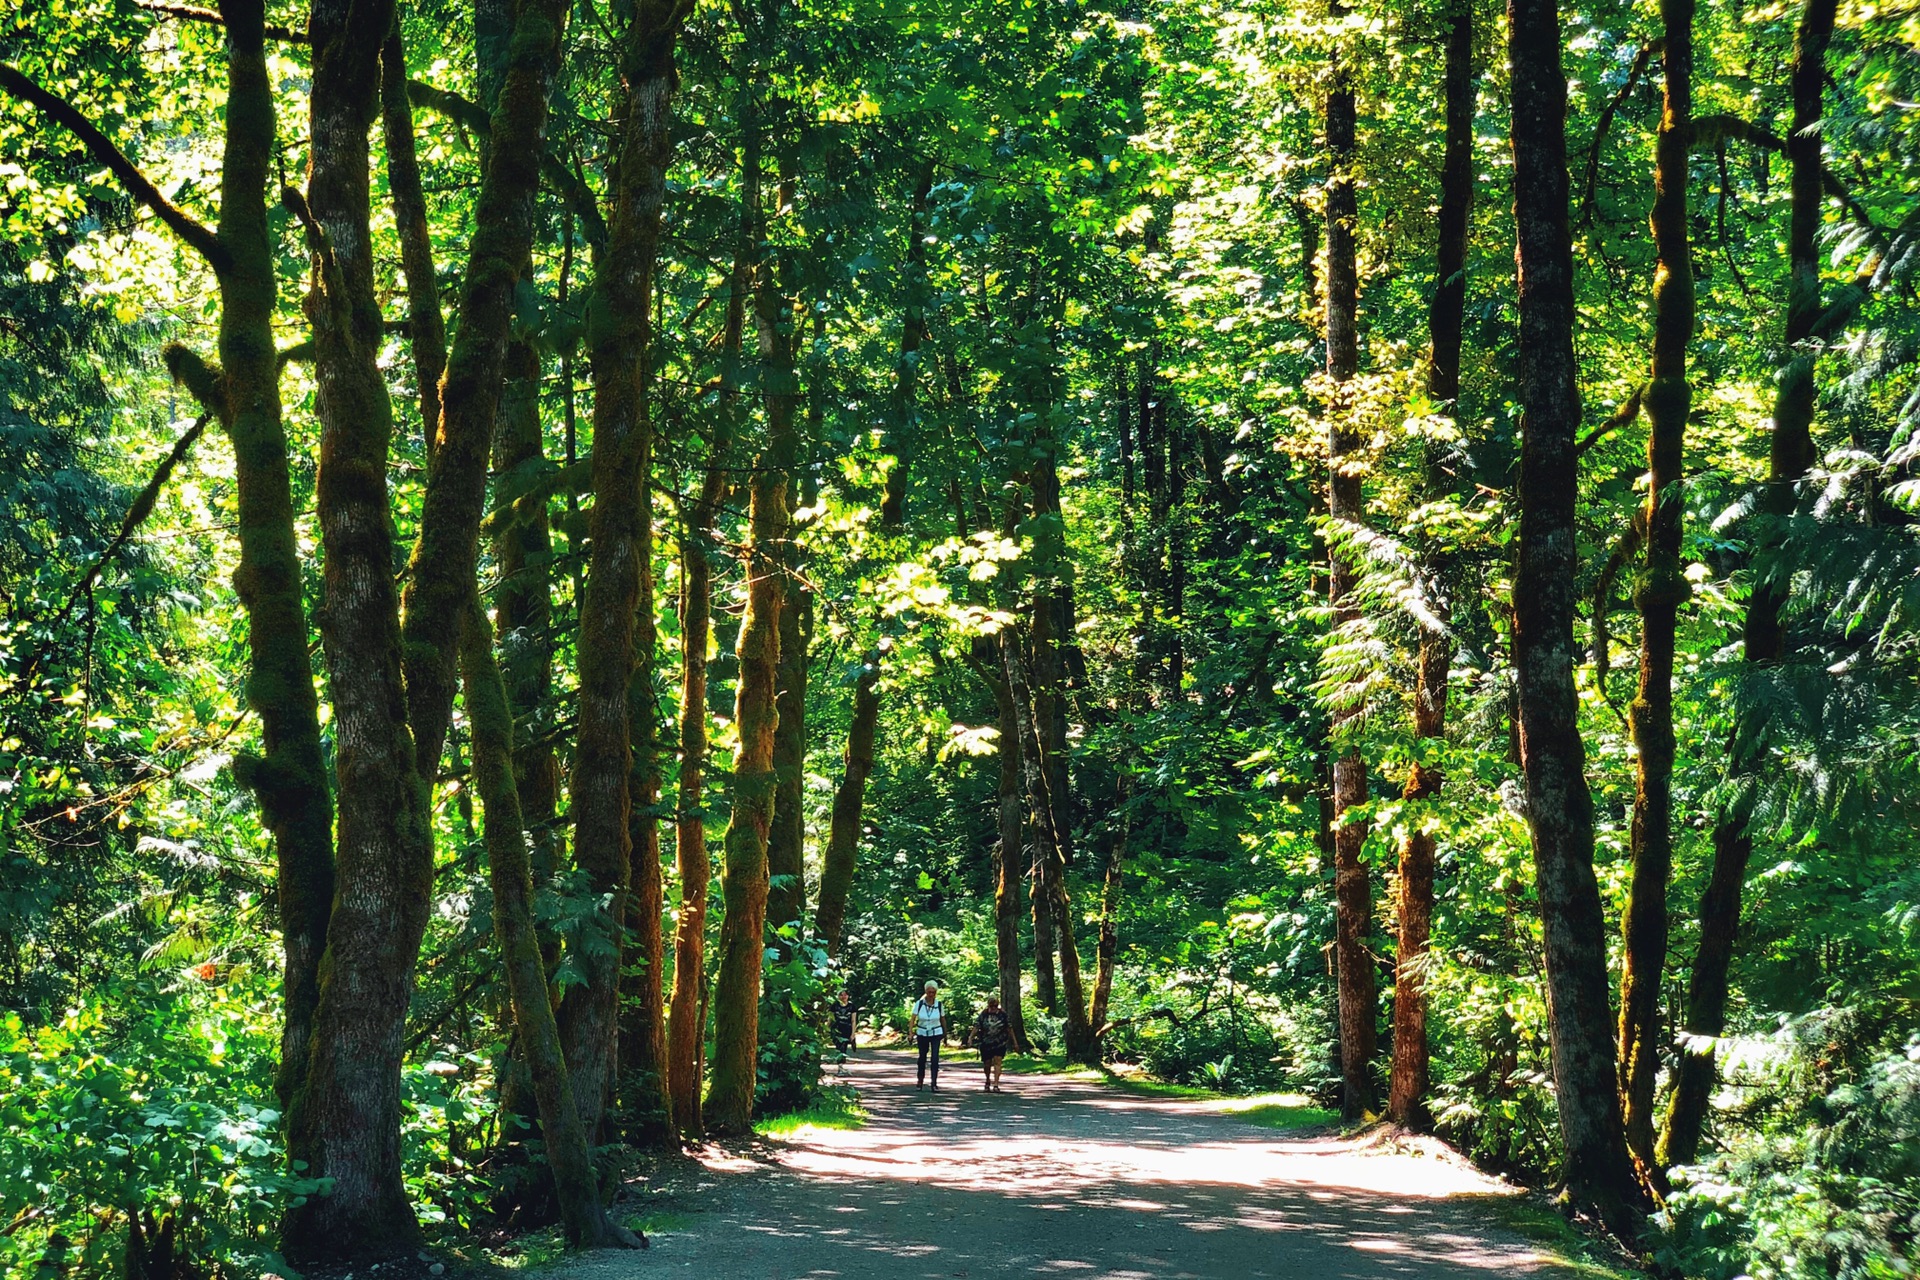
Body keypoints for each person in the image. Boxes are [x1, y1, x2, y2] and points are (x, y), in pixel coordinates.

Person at [911, 980, 947, 1091]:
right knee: (922, 1057)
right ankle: (920, 1080)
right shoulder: (919, 1004)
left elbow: (943, 1019)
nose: (931, 994)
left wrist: (945, 1034)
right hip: (922, 1033)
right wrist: (910, 1032)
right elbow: (912, 1018)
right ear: (926, 992)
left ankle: (934, 1083)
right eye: (929, 992)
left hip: (936, 1033)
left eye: (933, 992)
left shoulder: (939, 1005)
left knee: (935, 1058)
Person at [973, 994, 1012, 1092]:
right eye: (991, 1006)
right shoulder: (984, 1014)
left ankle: (996, 1084)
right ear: (988, 1005)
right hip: (986, 1042)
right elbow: (977, 1026)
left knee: (998, 1061)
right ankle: (987, 1080)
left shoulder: (1003, 1015)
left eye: (995, 1005)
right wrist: (970, 1038)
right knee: (987, 1064)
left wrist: (1014, 1042)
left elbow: (1009, 1028)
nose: (993, 1008)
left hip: (1000, 1042)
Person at [829, 989, 857, 1054]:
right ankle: (840, 1058)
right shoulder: (834, 1005)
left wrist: (853, 1034)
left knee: (844, 1044)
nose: (843, 997)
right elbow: (830, 1018)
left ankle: (841, 1059)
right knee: (838, 1044)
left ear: (848, 996)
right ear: (838, 996)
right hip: (837, 1028)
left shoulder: (852, 1006)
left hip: (847, 1028)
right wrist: (827, 1029)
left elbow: (853, 1020)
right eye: (841, 995)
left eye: (845, 995)